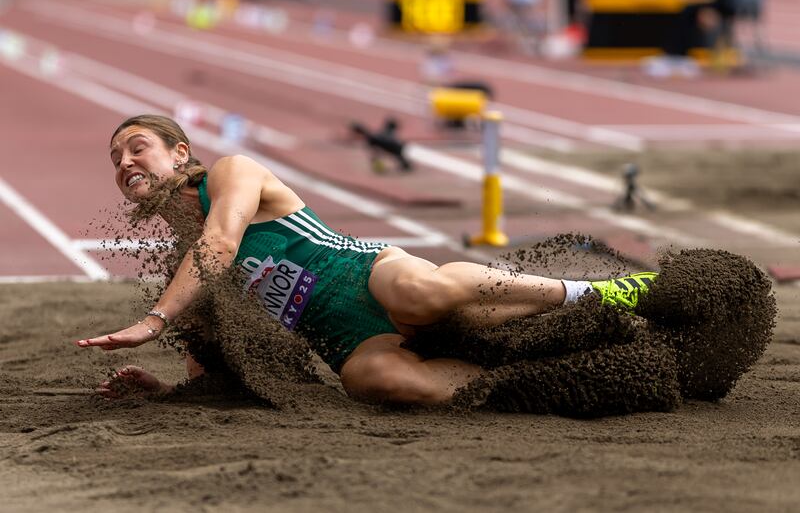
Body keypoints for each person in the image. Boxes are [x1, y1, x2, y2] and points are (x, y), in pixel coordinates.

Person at [78, 115, 657, 406]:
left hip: (369, 276)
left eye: (137, 147)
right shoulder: (184, 267)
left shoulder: (231, 174)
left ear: (180, 153)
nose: (125, 162)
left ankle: (598, 293)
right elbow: (213, 363)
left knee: (420, 296)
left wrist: (153, 321)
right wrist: (165, 391)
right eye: (114, 158)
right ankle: (545, 383)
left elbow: (222, 244)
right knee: (370, 382)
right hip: (349, 340)